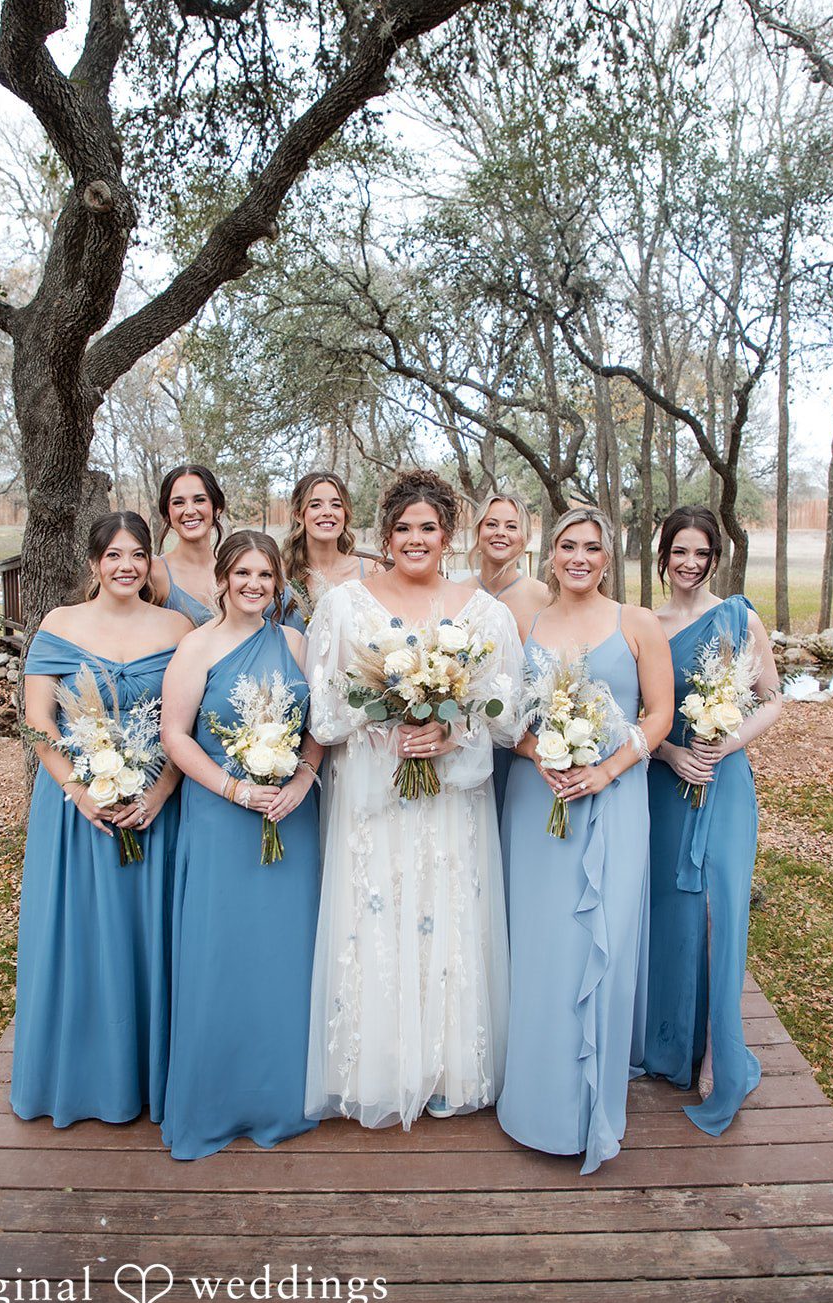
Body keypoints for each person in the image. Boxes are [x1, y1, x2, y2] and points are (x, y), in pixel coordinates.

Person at [304, 468, 524, 1129]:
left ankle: (446, 1067)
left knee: (446, 916)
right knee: (376, 918)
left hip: (449, 804)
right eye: (402, 528)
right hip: (373, 802)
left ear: (449, 535)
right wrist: (383, 727)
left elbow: (508, 715)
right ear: (385, 533)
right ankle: (378, 1067)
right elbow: (323, 711)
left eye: (428, 528)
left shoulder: (483, 613)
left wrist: (449, 729)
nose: (414, 539)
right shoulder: (344, 607)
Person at [496, 507, 674, 1173]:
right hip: (536, 803)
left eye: (590, 548)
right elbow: (502, 717)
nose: (578, 557)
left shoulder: (637, 623)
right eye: (567, 545)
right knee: (541, 950)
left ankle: (588, 1108)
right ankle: (533, 1102)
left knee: (599, 939)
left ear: (607, 556)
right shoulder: (524, 626)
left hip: (615, 799)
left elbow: (658, 714)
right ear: (550, 554)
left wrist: (606, 768)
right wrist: (537, 751)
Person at [11, 512, 191, 1127]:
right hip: (76, 813)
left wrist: (162, 791)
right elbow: (39, 722)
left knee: (150, 936)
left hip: (152, 809)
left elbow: (184, 724)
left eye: (137, 555)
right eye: (113, 555)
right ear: (93, 563)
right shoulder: (59, 627)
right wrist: (81, 792)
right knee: (81, 935)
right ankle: (85, 1074)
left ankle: (149, 1076)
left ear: (149, 562)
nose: (125, 567)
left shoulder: (176, 626)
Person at [160, 530, 323, 1159]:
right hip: (223, 818)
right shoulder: (195, 647)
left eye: (266, 575)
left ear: (278, 582)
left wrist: (304, 777)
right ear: (222, 579)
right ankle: (218, 1100)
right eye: (243, 573)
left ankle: (283, 1096)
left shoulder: (296, 643)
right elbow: (177, 736)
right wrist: (233, 790)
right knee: (222, 951)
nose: (255, 585)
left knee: (285, 954)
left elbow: (320, 726)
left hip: (290, 813)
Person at [643, 505, 782, 1134]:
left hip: (724, 785)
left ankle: (714, 1057)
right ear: (663, 555)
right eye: (680, 551)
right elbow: (638, 710)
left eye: (702, 554)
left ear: (715, 558)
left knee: (718, 913)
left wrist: (724, 744)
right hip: (666, 784)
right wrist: (671, 752)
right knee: (672, 909)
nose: (690, 564)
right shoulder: (647, 624)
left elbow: (772, 699)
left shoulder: (738, 617)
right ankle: (670, 1044)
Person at [459, 492, 550, 820]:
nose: (501, 532)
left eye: (511, 526)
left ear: (524, 537)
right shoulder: (457, 594)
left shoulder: (544, 596)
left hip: (529, 746)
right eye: (492, 524)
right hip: (465, 742)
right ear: (478, 533)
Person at [280, 469, 381, 631]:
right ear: (299, 515)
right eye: (315, 505)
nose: (327, 512)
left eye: (336, 505)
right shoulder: (281, 574)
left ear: (345, 514)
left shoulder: (371, 572)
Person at [149, 463, 227, 626]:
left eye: (199, 500)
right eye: (178, 503)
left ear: (217, 508)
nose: (190, 510)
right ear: (167, 514)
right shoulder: (155, 573)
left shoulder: (235, 568)